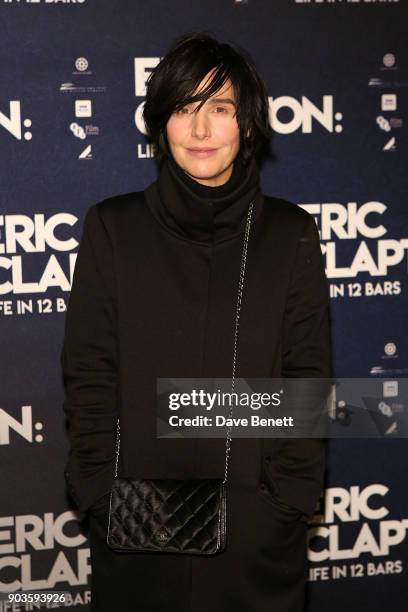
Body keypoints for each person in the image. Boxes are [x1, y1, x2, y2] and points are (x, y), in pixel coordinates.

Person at [61, 31, 332, 612]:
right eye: (185, 109)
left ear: (249, 124)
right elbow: (89, 374)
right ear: (161, 124)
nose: (201, 130)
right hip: (136, 531)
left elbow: (307, 379)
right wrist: (99, 497)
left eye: (221, 108)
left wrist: (286, 504)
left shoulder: (290, 233)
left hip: (257, 536)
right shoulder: (114, 228)